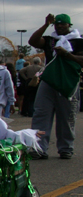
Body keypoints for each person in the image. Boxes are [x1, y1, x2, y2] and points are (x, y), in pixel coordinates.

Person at [28, 13, 83, 159]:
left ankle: (66, 148)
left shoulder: (78, 41)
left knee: (67, 116)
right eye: (56, 24)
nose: (59, 26)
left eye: (62, 24)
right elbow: (33, 41)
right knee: (41, 113)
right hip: (49, 81)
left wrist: (67, 54)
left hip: (68, 82)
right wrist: (45, 25)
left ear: (69, 25)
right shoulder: (50, 40)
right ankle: (39, 148)